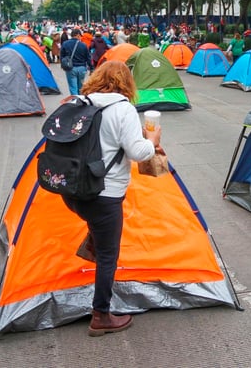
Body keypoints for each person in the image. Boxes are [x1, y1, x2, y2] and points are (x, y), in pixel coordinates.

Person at [61, 61, 162, 337]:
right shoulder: (122, 108)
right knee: (109, 255)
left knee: (97, 229)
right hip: (104, 195)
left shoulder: (81, 102)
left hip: (71, 192)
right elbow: (137, 152)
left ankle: (94, 242)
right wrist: (151, 139)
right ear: (127, 83)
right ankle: (101, 315)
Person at [60, 28, 90, 95]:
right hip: (82, 68)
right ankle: (81, 100)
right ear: (78, 35)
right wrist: (91, 68)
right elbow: (88, 57)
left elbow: (62, 56)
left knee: (73, 88)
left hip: (71, 68)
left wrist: (63, 65)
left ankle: (75, 102)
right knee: (81, 87)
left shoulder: (65, 44)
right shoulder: (83, 45)